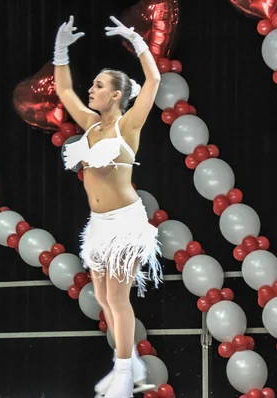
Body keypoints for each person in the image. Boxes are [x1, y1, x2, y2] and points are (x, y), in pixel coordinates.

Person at [53, 14, 163, 398]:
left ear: (116, 95)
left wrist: (138, 42)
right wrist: (61, 50)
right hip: (98, 223)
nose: (91, 90)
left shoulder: (127, 125)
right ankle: (132, 363)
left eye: (99, 86)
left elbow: (154, 81)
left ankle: (122, 376)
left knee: (117, 298)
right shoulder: (88, 126)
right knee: (101, 298)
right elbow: (64, 90)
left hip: (125, 222)